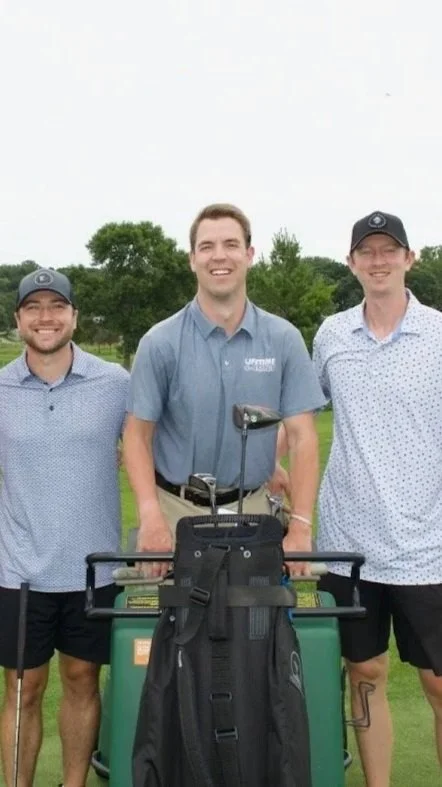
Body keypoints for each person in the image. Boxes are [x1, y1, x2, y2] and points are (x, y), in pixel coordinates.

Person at [123, 203, 326, 579]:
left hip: (254, 510)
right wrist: (150, 517)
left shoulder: (283, 339)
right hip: (174, 512)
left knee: (262, 632)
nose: (220, 256)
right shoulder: (160, 342)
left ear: (249, 255)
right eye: (207, 246)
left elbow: (304, 438)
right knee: (162, 634)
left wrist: (299, 526)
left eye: (231, 244)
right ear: (192, 259)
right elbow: (137, 436)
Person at [312, 211, 442, 785]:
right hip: (348, 543)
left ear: (410, 259)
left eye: (391, 250)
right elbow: (301, 417)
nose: (379, 259)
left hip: (427, 543)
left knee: (439, 680)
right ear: (352, 263)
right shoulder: (331, 335)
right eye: (368, 251)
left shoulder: (438, 333)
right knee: (364, 671)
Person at [0, 269, 129, 787]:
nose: (45, 317)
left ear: (75, 316)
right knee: (22, 688)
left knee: (82, 680)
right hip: (20, 570)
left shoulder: (115, 383)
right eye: (34, 307)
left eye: (57, 306)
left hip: (94, 569)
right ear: (18, 320)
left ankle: (72, 783)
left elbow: (150, 449)